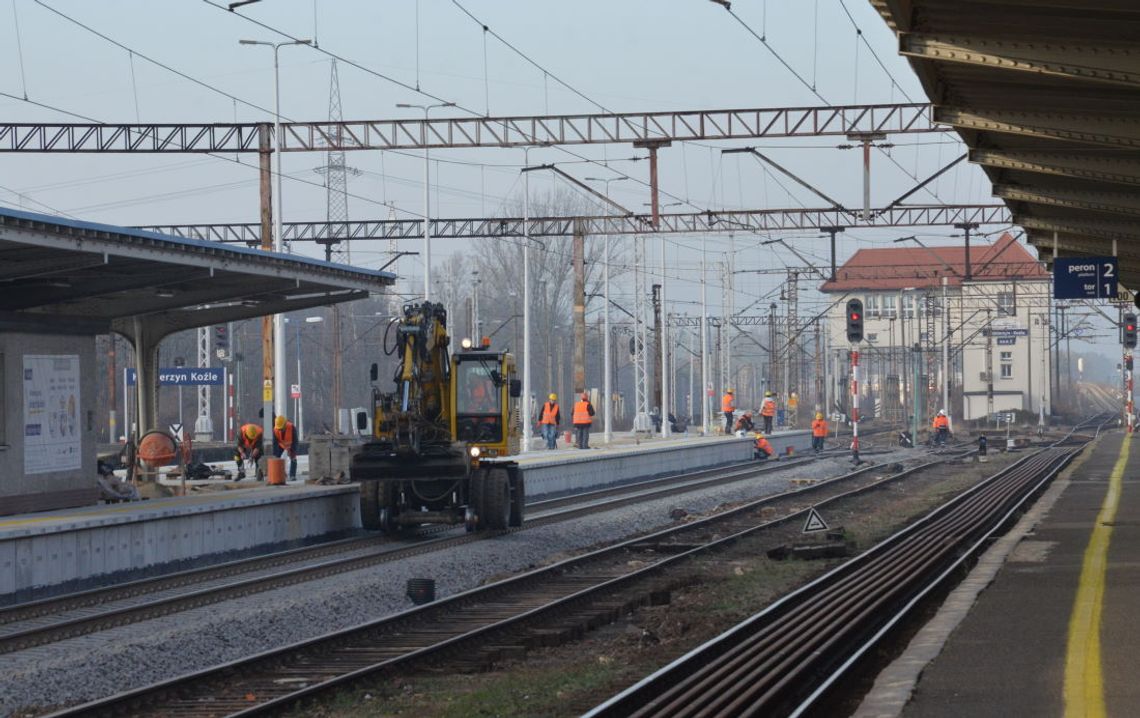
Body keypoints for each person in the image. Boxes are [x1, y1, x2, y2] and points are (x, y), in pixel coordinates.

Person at [273, 415, 298, 480]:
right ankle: (278, 473)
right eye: (279, 429)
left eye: (281, 429)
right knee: (276, 458)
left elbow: (295, 441)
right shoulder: (275, 430)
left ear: (285, 425)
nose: (280, 430)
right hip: (281, 445)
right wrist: (275, 454)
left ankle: (292, 475)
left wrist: (292, 451)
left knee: (293, 458)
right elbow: (275, 443)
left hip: (290, 445)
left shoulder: (291, 427)